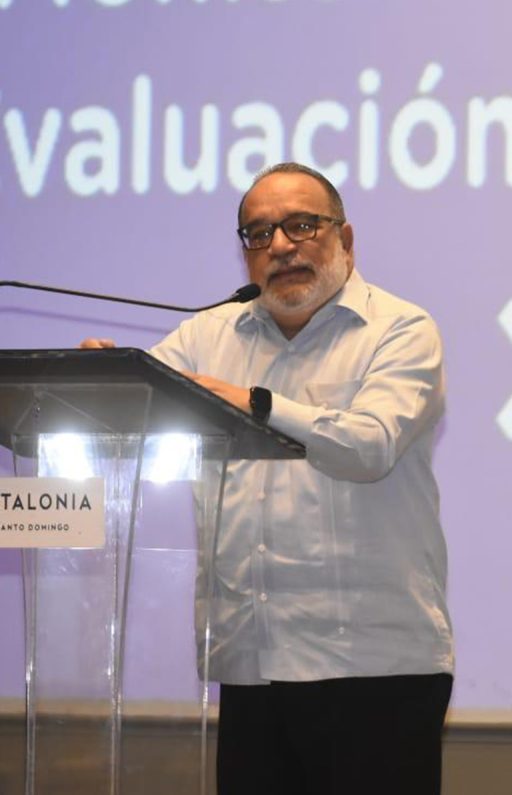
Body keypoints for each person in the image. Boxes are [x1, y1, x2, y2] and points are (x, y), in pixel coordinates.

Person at [82, 162, 454, 794]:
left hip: (374, 669)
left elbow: (371, 444)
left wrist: (254, 402)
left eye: (300, 226)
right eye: (258, 234)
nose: (280, 246)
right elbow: (137, 408)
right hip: (252, 662)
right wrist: (104, 385)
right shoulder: (208, 333)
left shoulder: (401, 330)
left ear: (346, 238)